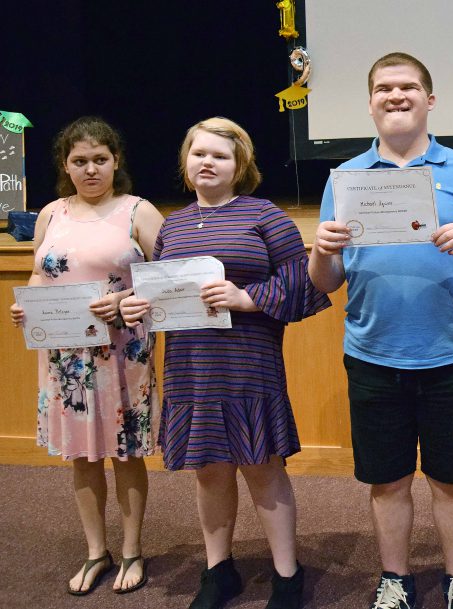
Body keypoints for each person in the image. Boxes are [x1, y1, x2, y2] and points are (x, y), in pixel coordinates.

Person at [308, 52, 453, 609]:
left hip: (452, 353)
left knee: (452, 479)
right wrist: (321, 251)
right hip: (372, 354)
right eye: (385, 89)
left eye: (409, 87)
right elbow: (325, 282)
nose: (397, 96)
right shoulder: (344, 179)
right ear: (370, 102)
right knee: (388, 479)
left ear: (430, 100)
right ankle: (395, 579)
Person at [120, 117, 329, 609]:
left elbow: (305, 284)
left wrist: (246, 296)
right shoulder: (171, 226)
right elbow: (162, 295)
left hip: (248, 362)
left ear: (240, 166)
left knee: (262, 466)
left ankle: (286, 575)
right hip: (191, 366)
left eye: (219, 155)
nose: (207, 162)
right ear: (186, 163)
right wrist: (137, 304)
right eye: (199, 154)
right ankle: (219, 571)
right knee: (208, 468)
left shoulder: (265, 216)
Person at [10, 116, 163, 596]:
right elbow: (40, 273)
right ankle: (97, 551)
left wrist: (126, 301)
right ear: (65, 165)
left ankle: (133, 550)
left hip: (123, 354)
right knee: (81, 457)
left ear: (115, 162)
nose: (91, 169)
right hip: (65, 362)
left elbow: (169, 283)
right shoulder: (51, 213)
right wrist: (26, 306)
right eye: (81, 161)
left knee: (125, 454)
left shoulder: (139, 211)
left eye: (100, 159)